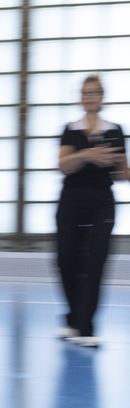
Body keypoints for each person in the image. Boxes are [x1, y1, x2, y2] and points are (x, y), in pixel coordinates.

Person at [55, 75, 125, 348]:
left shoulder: (115, 130)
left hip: (101, 202)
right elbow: (63, 166)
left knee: (96, 262)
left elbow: (122, 174)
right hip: (72, 200)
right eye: (86, 92)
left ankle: (86, 327)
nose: (90, 96)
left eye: (95, 92)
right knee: (65, 261)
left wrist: (118, 163)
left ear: (102, 97)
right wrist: (87, 155)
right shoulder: (70, 130)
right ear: (81, 98)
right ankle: (73, 318)